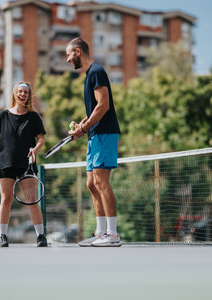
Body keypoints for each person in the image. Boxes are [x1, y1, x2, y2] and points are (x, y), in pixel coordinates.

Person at [0, 81, 47, 247]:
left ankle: (41, 236)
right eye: (20, 91)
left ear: (28, 96)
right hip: (6, 162)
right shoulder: (3, 115)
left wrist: (35, 150)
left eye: (26, 93)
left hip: (27, 164)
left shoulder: (34, 117)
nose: (23, 94)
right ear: (15, 93)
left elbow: (41, 139)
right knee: (6, 199)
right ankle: (3, 236)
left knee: (32, 199)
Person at [66, 37, 122, 247]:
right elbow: (95, 109)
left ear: (78, 52)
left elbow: (104, 105)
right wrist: (84, 123)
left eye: (69, 55)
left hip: (104, 133)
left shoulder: (97, 71)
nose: (67, 60)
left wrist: (85, 127)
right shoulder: (90, 74)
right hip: (94, 134)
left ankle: (113, 234)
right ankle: (100, 233)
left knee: (101, 182)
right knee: (91, 184)